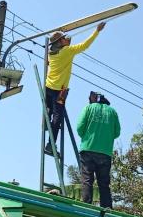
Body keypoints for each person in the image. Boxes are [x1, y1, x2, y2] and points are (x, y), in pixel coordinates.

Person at [45, 21, 105, 154]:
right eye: (64, 39)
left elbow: (63, 44)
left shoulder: (50, 53)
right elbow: (84, 45)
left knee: (49, 112)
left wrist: (64, 36)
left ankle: (45, 123)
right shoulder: (67, 51)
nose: (67, 40)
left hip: (48, 87)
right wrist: (97, 31)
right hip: (59, 92)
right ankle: (50, 145)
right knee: (57, 118)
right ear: (60, 42)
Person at [76, 91, 121, 209]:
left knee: (87, 180)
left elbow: (80, 128)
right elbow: (117, 133)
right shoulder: (112, 112)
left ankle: (86, 207)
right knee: (104, 184)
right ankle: (107, 210)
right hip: (105, 152)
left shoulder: (88, 108)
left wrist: (88, 136)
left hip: (88, 148)